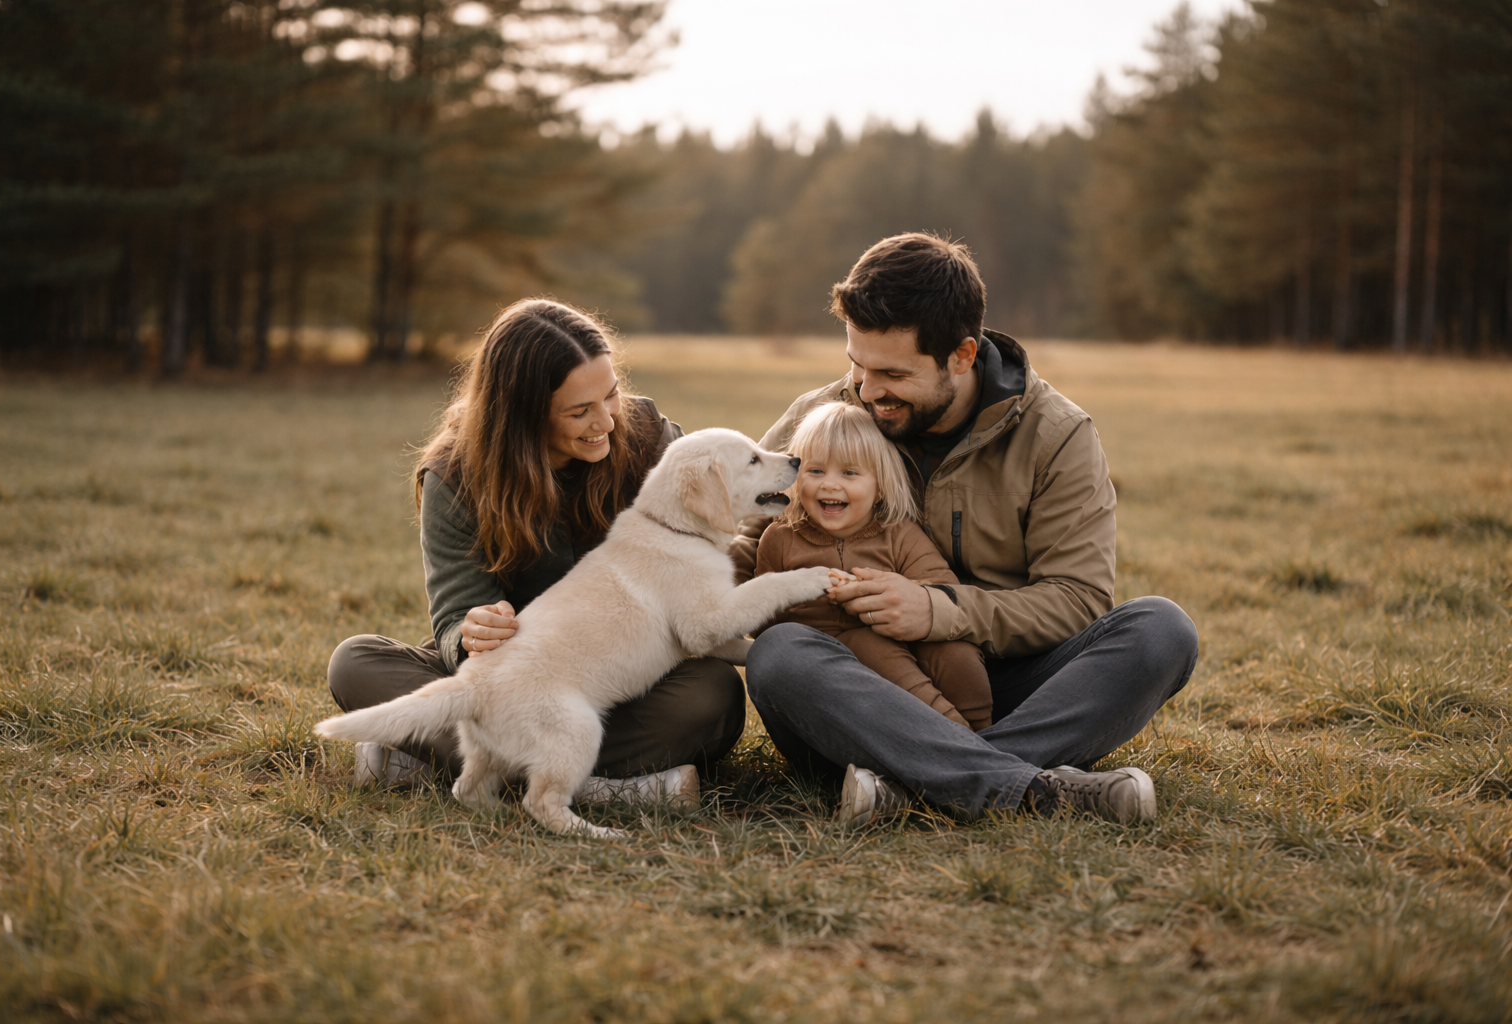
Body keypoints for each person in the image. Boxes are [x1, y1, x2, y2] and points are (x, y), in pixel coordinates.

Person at [737, 233, 1200, 826]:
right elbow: (745, 545)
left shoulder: (1056, 435)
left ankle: (916, 785)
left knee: (1161, 630)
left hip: (999, 683)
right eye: (855, 363)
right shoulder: (825, 417)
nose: (866, 389)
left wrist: (937, 611)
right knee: (781, 654)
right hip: (858, 691)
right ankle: (1028, 786)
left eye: (891, 373)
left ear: (961, 355)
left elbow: (1078, 600)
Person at [326, 299, 744, 804]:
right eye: (578, 411)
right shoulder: (455, 476)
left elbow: (714, 557)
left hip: (628, 679)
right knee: (355, 662)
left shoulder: (649, 436)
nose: (607, 422)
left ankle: (442, 761)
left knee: (713, 695)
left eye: (610, 395)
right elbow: (455, 621)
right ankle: (605, 786)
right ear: (522, 414)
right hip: (521, 680)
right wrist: (472, 632)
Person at [752, 401, 993, 730]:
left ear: (879, 487)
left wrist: (901, 594)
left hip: (903, 643)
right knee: (869, 647)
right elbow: (766, 621)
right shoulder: (780, 540)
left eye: (849, 473)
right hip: (831, 678)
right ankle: (955, 734)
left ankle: (983, 729)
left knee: (956, 651)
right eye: (816, 471)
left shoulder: (899, 535)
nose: (830, 484)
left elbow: (944, 590)